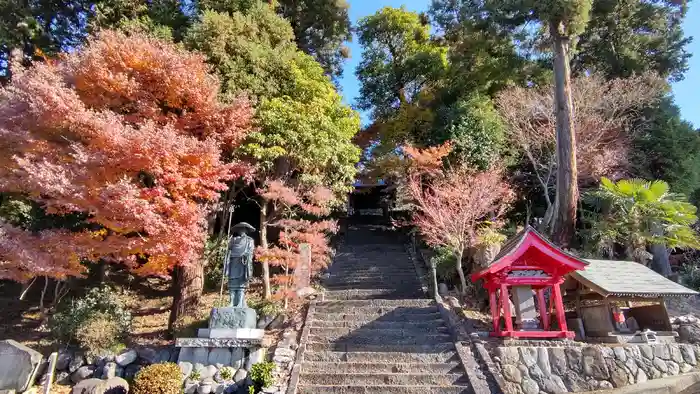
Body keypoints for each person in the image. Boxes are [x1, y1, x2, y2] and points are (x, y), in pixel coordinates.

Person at [225, 222, 255, 308]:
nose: (241, 230)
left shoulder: (249, 240)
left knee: (241, 283)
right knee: (232, 282)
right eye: (240, 229)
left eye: (243, 229)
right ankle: (231, 302)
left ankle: (239, 303)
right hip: (233, 261)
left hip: (243, 263)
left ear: (246, 230)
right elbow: (228, 248)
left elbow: (251, 251)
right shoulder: (233, 239)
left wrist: (247, 255)